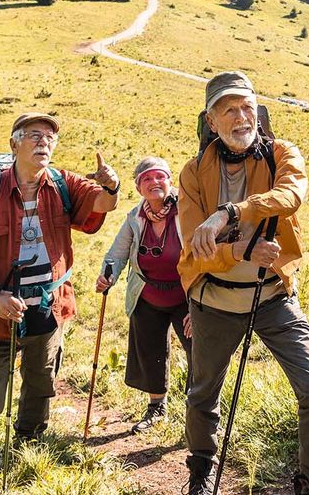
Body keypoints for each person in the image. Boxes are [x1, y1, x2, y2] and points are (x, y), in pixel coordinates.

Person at [179, 71, 309, 495]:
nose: (241, 116)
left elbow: (291, 196)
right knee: (202, 394)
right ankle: (200, 468)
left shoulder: (282, 154)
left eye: (247, 106)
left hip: (273, 297)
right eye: (228, 109)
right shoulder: (193, 173)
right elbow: (196, 252)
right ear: (211, 121)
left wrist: (229, 215)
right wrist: (244, 250)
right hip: (212, 301)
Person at [0, 112, 120, 482]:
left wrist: (112, 186)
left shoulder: (63, 183)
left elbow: (103, 205)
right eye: (35, 135)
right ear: (14, 144)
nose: (44, 142)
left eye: (50, 137)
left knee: (41, 381)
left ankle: (27, 442)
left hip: (47, 305)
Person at [96, 156, 193, 433]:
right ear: (139, 188)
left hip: (186, 296)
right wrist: (108, 275)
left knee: (199, 352)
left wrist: (200, 306)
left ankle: (198, 410)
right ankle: (156, 407)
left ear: (170, 181)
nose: (154, 183)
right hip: (147, 294)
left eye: (159, 177)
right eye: (147, 179)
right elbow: (116, 253)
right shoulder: (135, 217)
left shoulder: (186, 210)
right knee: (150, 352)